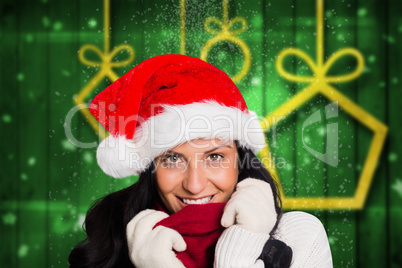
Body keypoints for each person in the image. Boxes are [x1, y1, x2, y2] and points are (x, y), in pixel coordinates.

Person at [69, 54, 333, 267]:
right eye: (172, 159)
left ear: (240, 161)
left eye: (215, 157)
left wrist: (245, 242)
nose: (194, 186)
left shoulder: (299, 236)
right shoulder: (110, 241)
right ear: (151, 168)